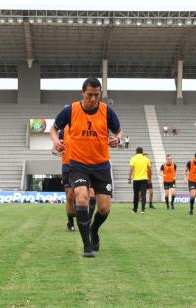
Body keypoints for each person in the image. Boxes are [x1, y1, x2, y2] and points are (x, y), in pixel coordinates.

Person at [51, 77, 122, 258]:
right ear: (83, 92)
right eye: (90, 95)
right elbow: (53, 129)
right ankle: (87, 246)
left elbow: (118, 131)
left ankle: (94, 229)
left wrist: (118, 139)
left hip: (102, 166)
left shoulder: (107, 111)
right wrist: (56, 141)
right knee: (81, 198)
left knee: (104, 209)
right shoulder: (70, 110)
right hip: (78, 164)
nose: (93, 99)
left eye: (96, 95)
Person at [55, 127, 75, 231]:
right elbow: (54, 149)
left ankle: (86, 221)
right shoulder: (63, 131)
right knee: (70, 197)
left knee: (82, 195)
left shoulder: (83, 124)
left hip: (82, 165)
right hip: (67, 166)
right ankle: (70, 223)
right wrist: (56, 150)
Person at [129, 147, 151, 214]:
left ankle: (135, 210)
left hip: (136, 179)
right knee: (143, 195)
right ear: (142, 152)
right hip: (144, 179)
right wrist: (149, 178)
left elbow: (131, 169)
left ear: (136, 152)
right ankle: (143, 210)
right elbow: (149, 169)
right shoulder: (146, 159)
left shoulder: (133, 158)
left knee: (136, 195)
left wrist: (129, 178)